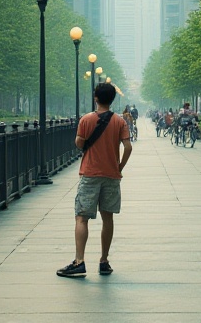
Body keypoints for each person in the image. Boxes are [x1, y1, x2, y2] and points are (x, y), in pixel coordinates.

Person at [57, 81, 132, 278]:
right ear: (113, 99)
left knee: (82, 217)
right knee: (108, 218)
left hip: (90, 174)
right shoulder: (120, 121)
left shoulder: (86, 119)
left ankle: (79, 262)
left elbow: (80, 143)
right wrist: (119, 167)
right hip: (111, 176)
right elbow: (128, 147)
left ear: (95, 98)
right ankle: (104, 261)